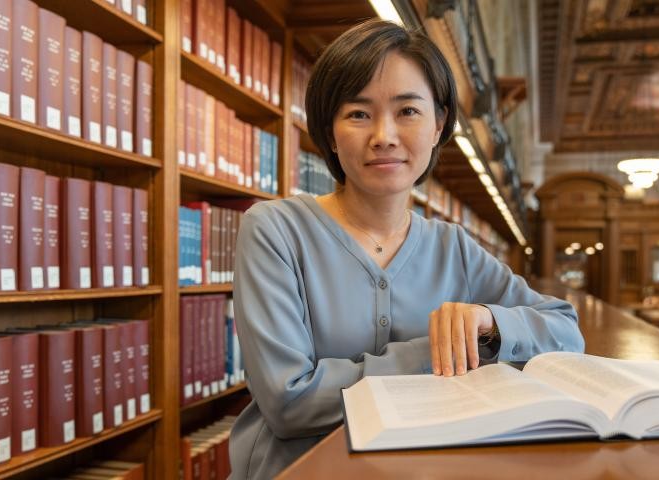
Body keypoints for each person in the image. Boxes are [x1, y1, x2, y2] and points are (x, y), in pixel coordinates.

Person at [228, 19, 584, 479]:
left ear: (438, 125)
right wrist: (442, 355)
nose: (384, 135)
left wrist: (490, 324)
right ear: (330, 133)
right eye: (358, 113)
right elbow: (290, 403)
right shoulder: (275, 230)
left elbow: (566, 331)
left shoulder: (453, 246)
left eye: (408, 111)